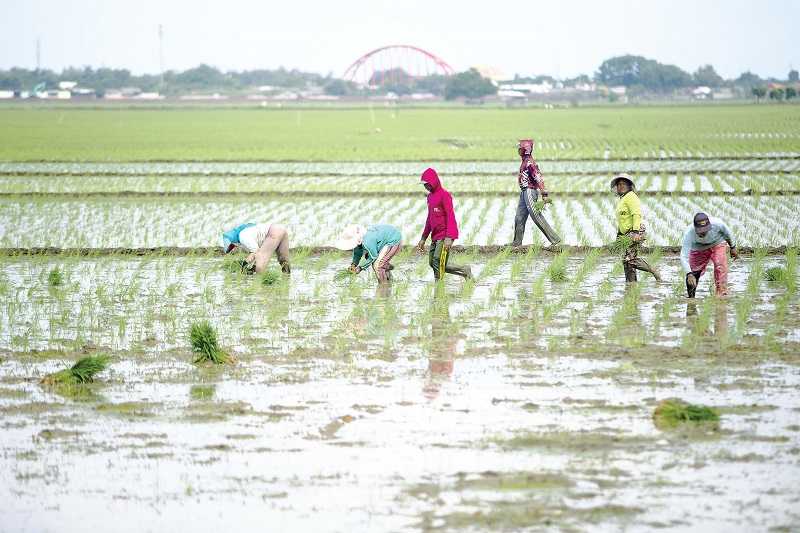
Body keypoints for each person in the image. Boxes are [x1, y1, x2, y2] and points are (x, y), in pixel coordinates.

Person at [415, 168, 472, 281]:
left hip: (444, 235)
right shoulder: (430, 197)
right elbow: (429, 219)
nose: (425, 187)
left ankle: (439, 285)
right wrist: (423, 238)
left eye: (427, 184)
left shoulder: (444, 195)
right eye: (424, 185)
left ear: (433, 181)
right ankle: (464, 270)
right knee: (433, 262)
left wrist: (449, 237)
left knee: (437, 260)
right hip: (435, 236)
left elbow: (451, 216)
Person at [611, 173, 660, 283]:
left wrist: (635, 232)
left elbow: (636, 214)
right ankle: (631, 284)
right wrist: (619, 235)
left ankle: (653, 270)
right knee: (627, 261)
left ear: (629, 185)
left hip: (634, 231)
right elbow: (623, 219)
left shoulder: (631, 197)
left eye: (623, 184)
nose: (621, 186)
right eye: (619, 184)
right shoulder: (622, 199)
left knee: (630, 260)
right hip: (626, 233)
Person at [512, 139, 561, 247]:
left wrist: (544, 193)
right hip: (524, 192)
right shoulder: (524, 162)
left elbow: (538, 177)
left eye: (520, 149)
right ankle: (516, 243)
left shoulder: (530, 163)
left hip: (529, 191)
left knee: (536, 216)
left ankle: (555, 240)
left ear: (525, 150)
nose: (518, 151)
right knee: (519, 217)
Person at [680, 212, 739, 297]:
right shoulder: (689, 233)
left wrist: (733, 247)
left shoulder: (718, 224)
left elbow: (728, 233)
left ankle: (721, 294)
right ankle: (691, 298)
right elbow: (684, 256)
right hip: (698, 247)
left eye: (705, 230)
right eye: (700, 231)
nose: (703, 233)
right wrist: (689, 274)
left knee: (720, 265)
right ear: (695, 228)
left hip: (717, 243)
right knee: (694, 271)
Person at [334, 224, 402, 284]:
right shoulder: (360, 239)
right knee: (380, 263)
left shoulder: (368, 242)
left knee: (377, 265)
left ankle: (384, 286)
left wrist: (360, 268)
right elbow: (358, 253)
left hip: (393, 239)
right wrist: (354, 264)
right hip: (384, 238)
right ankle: (387, 272)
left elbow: (372, 256)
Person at [221, 222, 291, 274]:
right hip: (281, 229)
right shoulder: (249, 230)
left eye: (232, 246)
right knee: (284, 262)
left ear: (233, 242)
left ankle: (258, 286)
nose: (234, 248)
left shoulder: (242, 236)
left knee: (261, 263)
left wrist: (244, 265)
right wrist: (253, 266)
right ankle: (287, 282)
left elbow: (255, 252)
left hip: (273, 231)